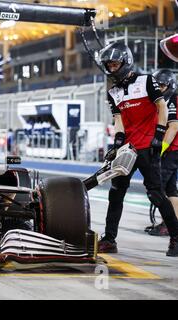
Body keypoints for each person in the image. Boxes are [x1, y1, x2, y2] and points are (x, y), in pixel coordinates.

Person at [97, 42, 178, 257]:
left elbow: (161, 107)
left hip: (148, 147)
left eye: (115, 64)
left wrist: (158, 137)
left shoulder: (147, 81)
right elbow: (119, 120)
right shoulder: (112, 92)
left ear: (125, 61)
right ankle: (109, 239)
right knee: (116, 194)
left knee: (156, 194)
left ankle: (176, 237)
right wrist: (118, 142)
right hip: (128, 149)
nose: (112, 68)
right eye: (109, 65)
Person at [147, 69, 178, 236]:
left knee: (159, 187)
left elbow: (173, 127)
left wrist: (160, 149)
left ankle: (169, 224)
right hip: (173, 150)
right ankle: (173, 223)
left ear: (171, 85)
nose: (159, 88)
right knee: (171, 189)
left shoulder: (173, 99)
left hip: (174, 150)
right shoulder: (165, 100)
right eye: (157, 85)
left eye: (163, 85)